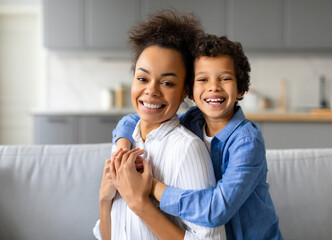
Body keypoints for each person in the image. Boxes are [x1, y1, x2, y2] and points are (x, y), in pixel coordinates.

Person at [113, 34, 283, 239]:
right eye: (203, 79)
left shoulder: (246, 142)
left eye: (225, 78)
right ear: (190, 92)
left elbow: (216, 210)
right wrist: (121, 148)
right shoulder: (193, 121)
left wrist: (150, 186)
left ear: (240, 88)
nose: (214, 87)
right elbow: (134, 120)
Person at [93, 11, 226, 240]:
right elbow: (108, 236)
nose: (152, 90)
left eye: (167, 82)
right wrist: (104, 199)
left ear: (185, 90)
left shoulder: (187, 150)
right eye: (142, 79)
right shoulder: (124, 144)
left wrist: (140, 203)